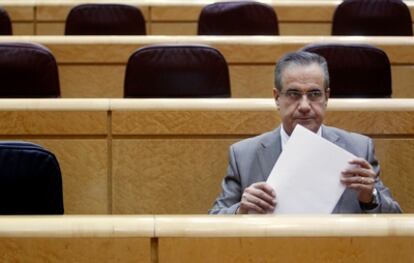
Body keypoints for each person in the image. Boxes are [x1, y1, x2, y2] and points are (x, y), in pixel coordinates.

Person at [209, 51, 401, 214]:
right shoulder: (244, 155)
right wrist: (239, 210)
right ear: (277, 98)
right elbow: (214, 219)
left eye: (314, 94)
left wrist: (370, 197)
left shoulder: (359, 149)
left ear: (327, 97)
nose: (304, 106)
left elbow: (397, 220)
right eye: (294, 94)